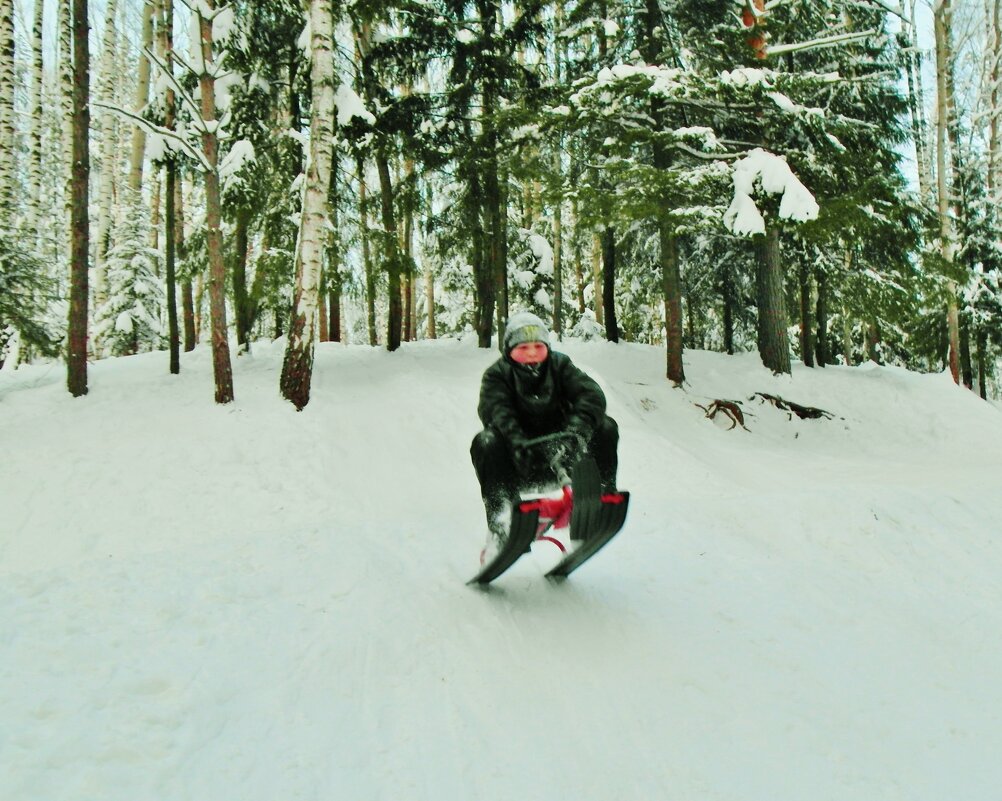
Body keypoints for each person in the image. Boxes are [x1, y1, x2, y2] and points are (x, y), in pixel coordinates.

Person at [470, 311, 619, 552]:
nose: (531, 353)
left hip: (563, 457)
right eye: (523, 348)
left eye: (538, 347)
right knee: (485, 442)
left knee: (606, 426)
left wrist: (574, 434)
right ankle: (503, 524)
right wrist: (517, 441)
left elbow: (591, 396)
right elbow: (496, 411)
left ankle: (596, 500)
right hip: (520, 462)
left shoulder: (561, 366)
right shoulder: (497, 375)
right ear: (509, 351)